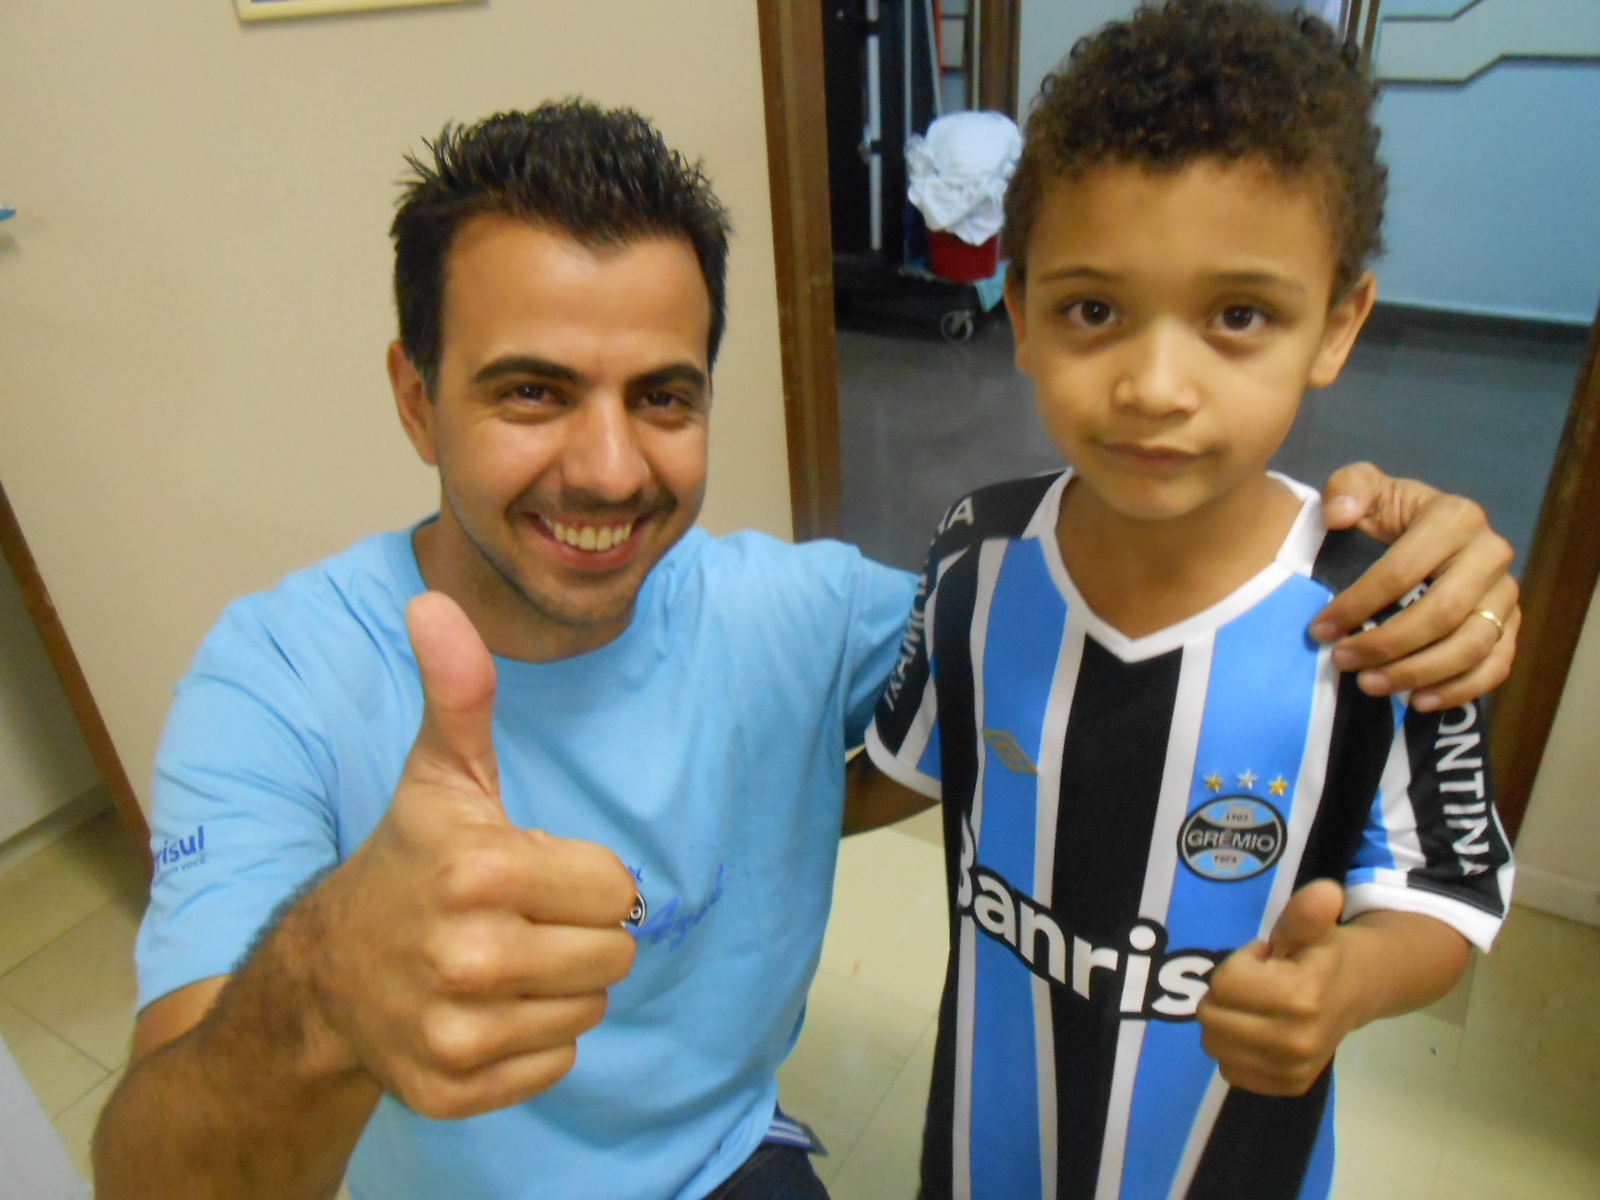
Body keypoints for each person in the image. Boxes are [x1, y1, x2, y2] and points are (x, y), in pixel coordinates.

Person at [92, 98, 1517, 1200]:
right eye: (531, 391)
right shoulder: (275, 680)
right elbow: (150, 1171)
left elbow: (1069, 641)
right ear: (415, 398)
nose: (604, 467)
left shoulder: (804, 615)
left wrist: (1400, 538)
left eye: (663, 395)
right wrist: (326, 984)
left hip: (732, 1169)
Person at [852, 4, 1515, 1199]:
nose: (1156, 387)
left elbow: (1447, 896)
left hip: (1227, 1167)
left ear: (1337, 323)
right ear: (1019, 316)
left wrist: (1345, 987)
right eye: (1092, 309)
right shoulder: (973, 553)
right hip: (981, 1153)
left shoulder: (1383, 607)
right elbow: (899, 764)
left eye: (1238, 316)